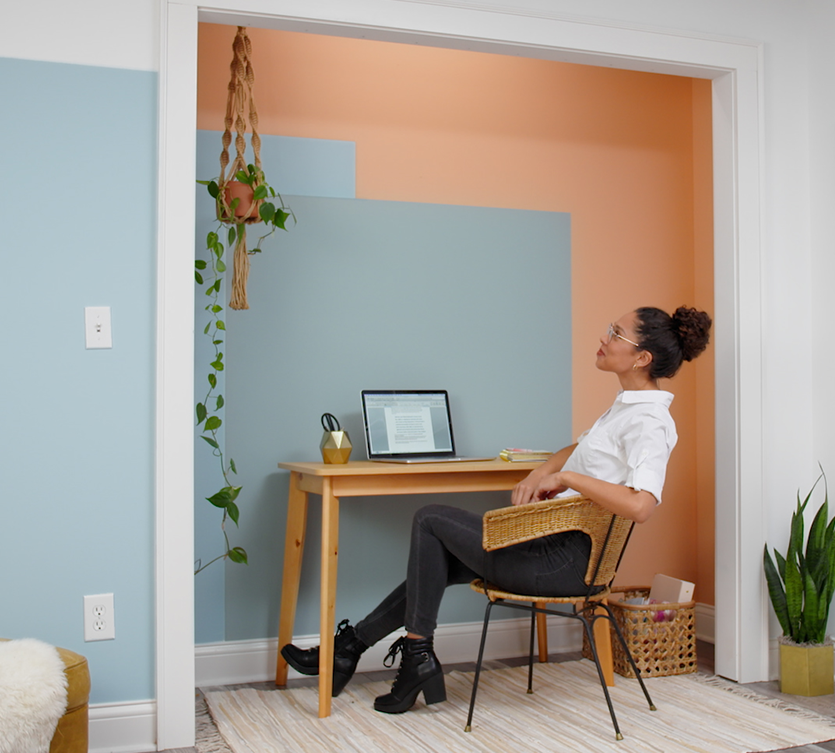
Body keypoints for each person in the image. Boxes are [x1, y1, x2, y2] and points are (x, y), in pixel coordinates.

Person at [281, 305, 712, 714]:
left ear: (642, 357)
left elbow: (641, 505)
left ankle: (405, 656)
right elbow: (581, 448)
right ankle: (354, 651)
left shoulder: (650, 423)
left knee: (429, 520)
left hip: (563, 564)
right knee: (439, 558)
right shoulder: (626, 407)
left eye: (615, 333)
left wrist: (566, 479)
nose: (603, 337)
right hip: (548, 547)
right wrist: (541, 470)